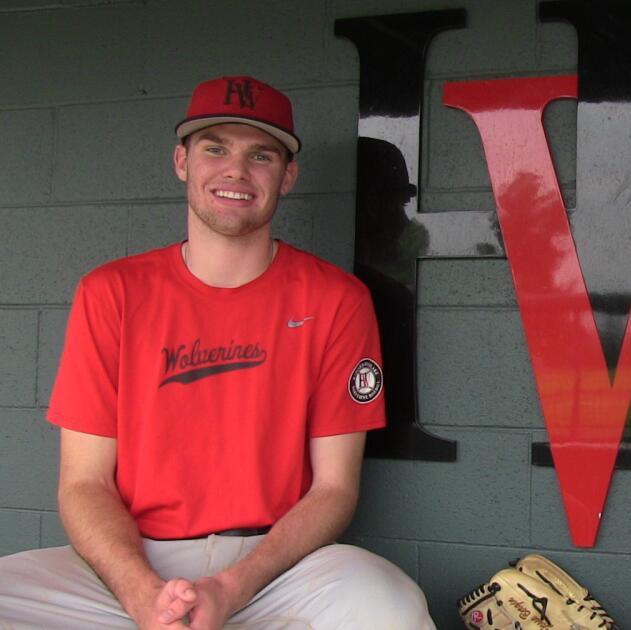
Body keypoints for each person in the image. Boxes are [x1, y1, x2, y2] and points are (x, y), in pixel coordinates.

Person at [0, 75, 435, 629]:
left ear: (288, 176)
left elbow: (334, 489)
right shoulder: (111, 291)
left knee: (389, 604)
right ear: (182, 161)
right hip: (129, 562)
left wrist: (229, 589)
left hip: (274, 570)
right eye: (215, 148)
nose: (236, 171)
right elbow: (85, 484)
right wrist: (141, 594)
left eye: (261, 155)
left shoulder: (335, 300)